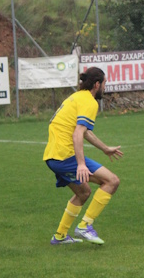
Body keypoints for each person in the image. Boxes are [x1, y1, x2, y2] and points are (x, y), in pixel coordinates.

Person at [43, 67, 123, 245]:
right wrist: (81, 164)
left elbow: (84, 131)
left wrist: (105, 149)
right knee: (112, 181)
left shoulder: (76, 97)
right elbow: (78, 133)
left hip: (52, 156)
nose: (105, 87)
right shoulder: (89, 102)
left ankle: (60, 236)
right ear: (97, 84)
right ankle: (85, 226)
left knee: (83, 192)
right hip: (65, 156)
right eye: (104, 83)